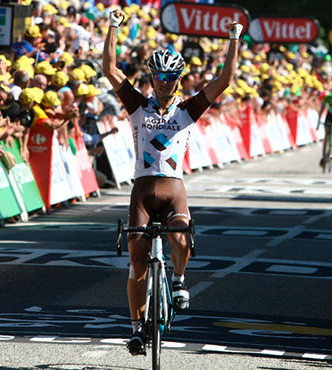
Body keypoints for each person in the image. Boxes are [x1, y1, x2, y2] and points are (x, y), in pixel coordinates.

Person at [103, 9, 242, 356]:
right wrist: (112, 27)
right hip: (142, 192)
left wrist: (234, 39)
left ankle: (178, 280)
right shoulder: (137, 104)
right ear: (152, 77)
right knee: (137, 260)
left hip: (174, 190)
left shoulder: (188, 110)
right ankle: (136, 329)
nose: (164, 81)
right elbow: (109, 69)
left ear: (179, 80)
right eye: (158, 76)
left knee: (181, 237)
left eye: (170, 76)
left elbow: (225, 79)